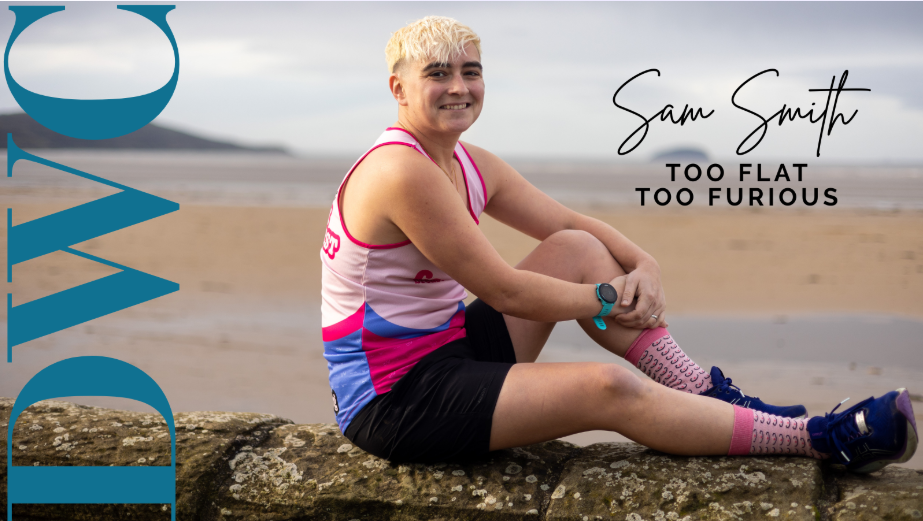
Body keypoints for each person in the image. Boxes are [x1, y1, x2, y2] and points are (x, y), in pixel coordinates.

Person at [319, 16, 917, 472]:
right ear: (398, 87)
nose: (459, 87)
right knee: (609, 388)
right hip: (397, 400)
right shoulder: (400, 171)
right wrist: (610, 299)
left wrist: (644, 264)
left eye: (470, 71)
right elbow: (504, 289)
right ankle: (822, 440)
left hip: (453, 350)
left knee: (577, 248)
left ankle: (711, 395)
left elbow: (570, 224)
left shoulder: (468, 161)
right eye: (438, 74)